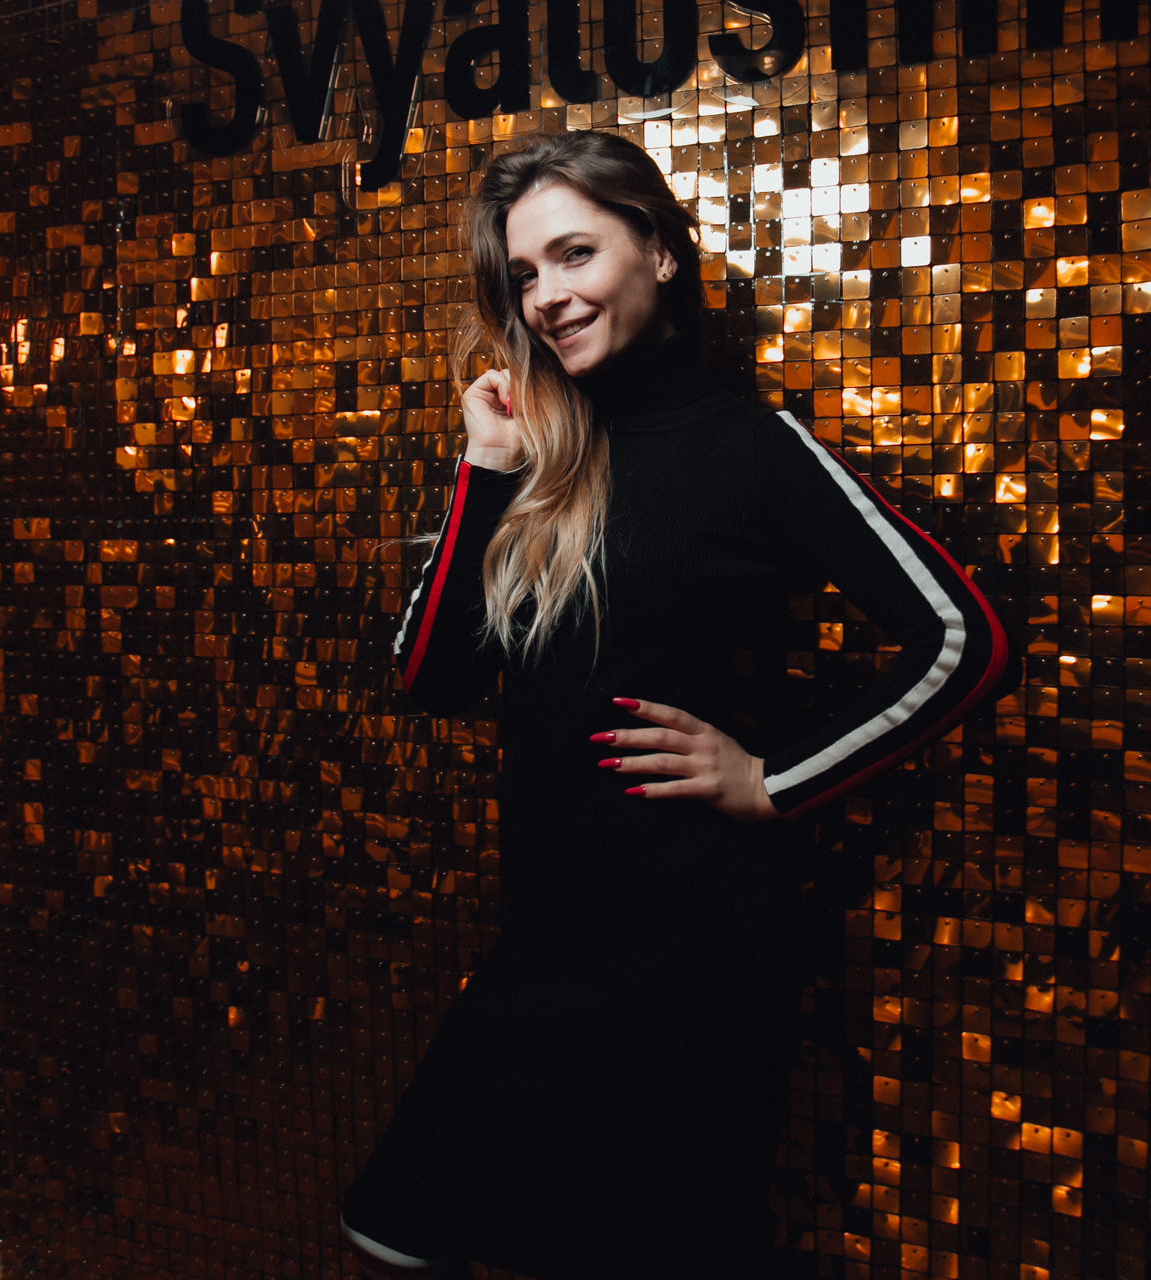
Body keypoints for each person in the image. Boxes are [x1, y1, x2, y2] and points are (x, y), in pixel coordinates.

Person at [338, 130, 1010, 1280]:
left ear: (657, 250)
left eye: (575, 254)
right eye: (525, 274)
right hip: (552, 942)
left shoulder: (754, 449)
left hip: (692, 951)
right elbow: (431, 679)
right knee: (397, 1226)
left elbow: (969, 638)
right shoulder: (540, 454)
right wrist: (485, 468)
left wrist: (774, 780)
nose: (546, 297)